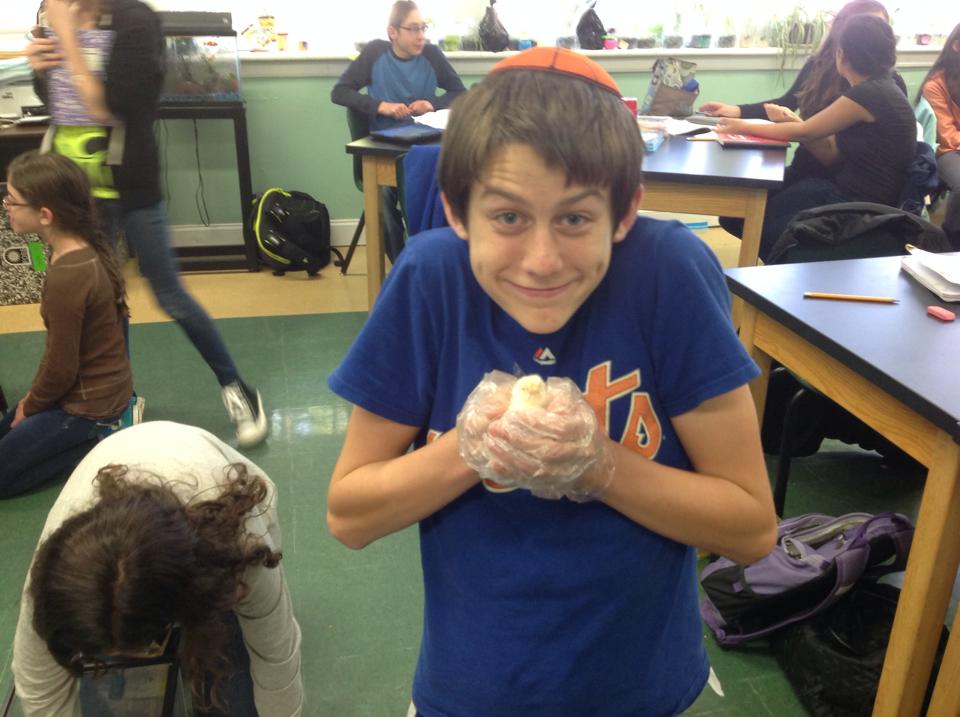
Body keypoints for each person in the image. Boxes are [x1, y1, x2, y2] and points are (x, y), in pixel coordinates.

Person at [326, 47, 777, 716]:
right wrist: (473, 447)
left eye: (574, 218)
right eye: (508, 217)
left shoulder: (668, 275)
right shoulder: (430, 281)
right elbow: (349, 515)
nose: (541, 261)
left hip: (639, 687)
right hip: (472, 689)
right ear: (457, 211)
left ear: (625, 212)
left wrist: (600, 466)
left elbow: (750, 528)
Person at [25, 0, 268, 448]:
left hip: (131, 184)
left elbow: (108, 106)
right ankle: (122, 400)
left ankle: (237, 388)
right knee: (105, 299)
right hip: (78, 188)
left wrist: (68, 38)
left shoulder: (134, 20)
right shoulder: (60, 17)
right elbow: (58, 100)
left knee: (169, 293)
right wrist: (41, 69)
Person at [12, 421, 303, 717]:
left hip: (212, 523)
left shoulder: (240, 546)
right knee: (104, 699)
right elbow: (40, 687)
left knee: (231, 699)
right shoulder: (59, 576)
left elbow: (275, 657)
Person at [717, 15, 916, 261]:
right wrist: (788, 121)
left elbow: (805, 132)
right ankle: (786, 267)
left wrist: (741, 126)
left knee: (759, 219)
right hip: (852, 194)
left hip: (855, 204)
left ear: (842, 55)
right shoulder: (882, 88)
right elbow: (825, 146)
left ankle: (788, 268)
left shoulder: (869, 93)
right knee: (745, 211)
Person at [0, 151, 131, 498]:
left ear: (45, 215)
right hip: (87, 394)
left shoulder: (69, 276)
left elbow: (60, 367)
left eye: (12, 200)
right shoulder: (82, 246)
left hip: (87, 408)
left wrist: (31, 405)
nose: (6, 207)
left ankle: (95, 445)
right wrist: (32, 402)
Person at [700, 0, 906, 188]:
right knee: (742, 198)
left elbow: (807, 134)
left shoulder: (875, 89)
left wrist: (742, 126)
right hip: (808, 168)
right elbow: (787, 104)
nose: (870, 34)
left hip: (837, 182)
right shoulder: (820, 65)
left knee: (757, 206)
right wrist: (737, 111)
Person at [331, 0, 466, 262]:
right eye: (413, 29)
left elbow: (459, 92)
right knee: (382, 196)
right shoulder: (374, 53)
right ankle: (403, 264)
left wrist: (432, 103)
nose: (421, 36)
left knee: (444, 187)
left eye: (423, 28)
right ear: (393, 32)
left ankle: (430, 259)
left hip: (425, 146)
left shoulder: (432, 54)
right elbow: (339, 92)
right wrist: (379, 106)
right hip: (385, 150)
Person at [919, 23, 960, 247]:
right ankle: (952, 237)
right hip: (946, 151)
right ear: (956, 46)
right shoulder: (935, 84)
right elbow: (947, 136)